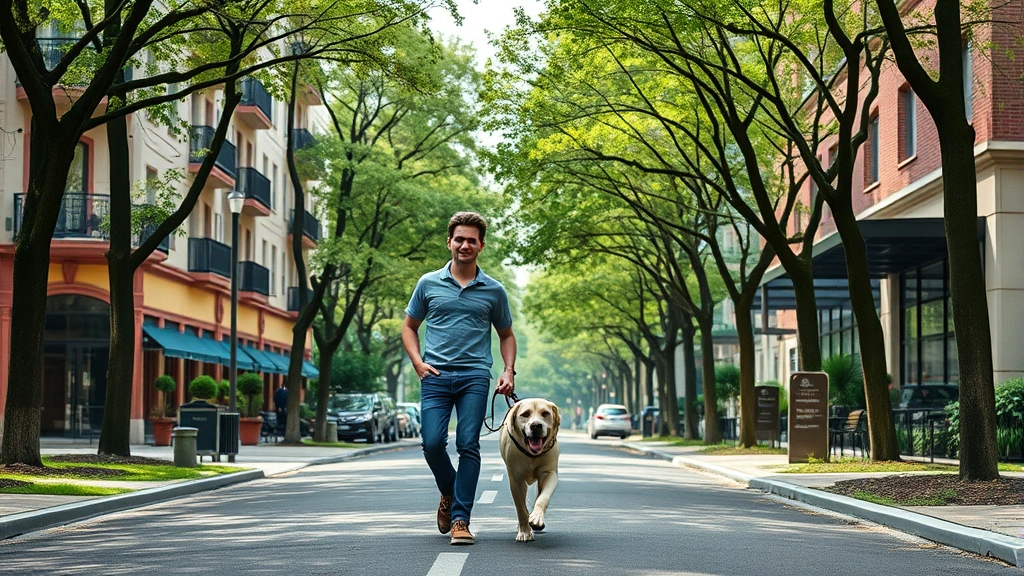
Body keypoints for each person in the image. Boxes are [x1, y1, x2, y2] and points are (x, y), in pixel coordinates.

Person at [403, 211, 516, 546]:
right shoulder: (428, 283)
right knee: (433, 444)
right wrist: (418, 363)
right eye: (459, 239)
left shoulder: (494, 290)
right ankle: (449, 492)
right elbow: (409, 327)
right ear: (449, 242)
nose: (464, 245)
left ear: (480, 245)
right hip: (435, 376)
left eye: (471, 240)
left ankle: (460, 520)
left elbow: (506, 334)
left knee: (469, 444)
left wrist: (507, 370)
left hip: (475, 376)